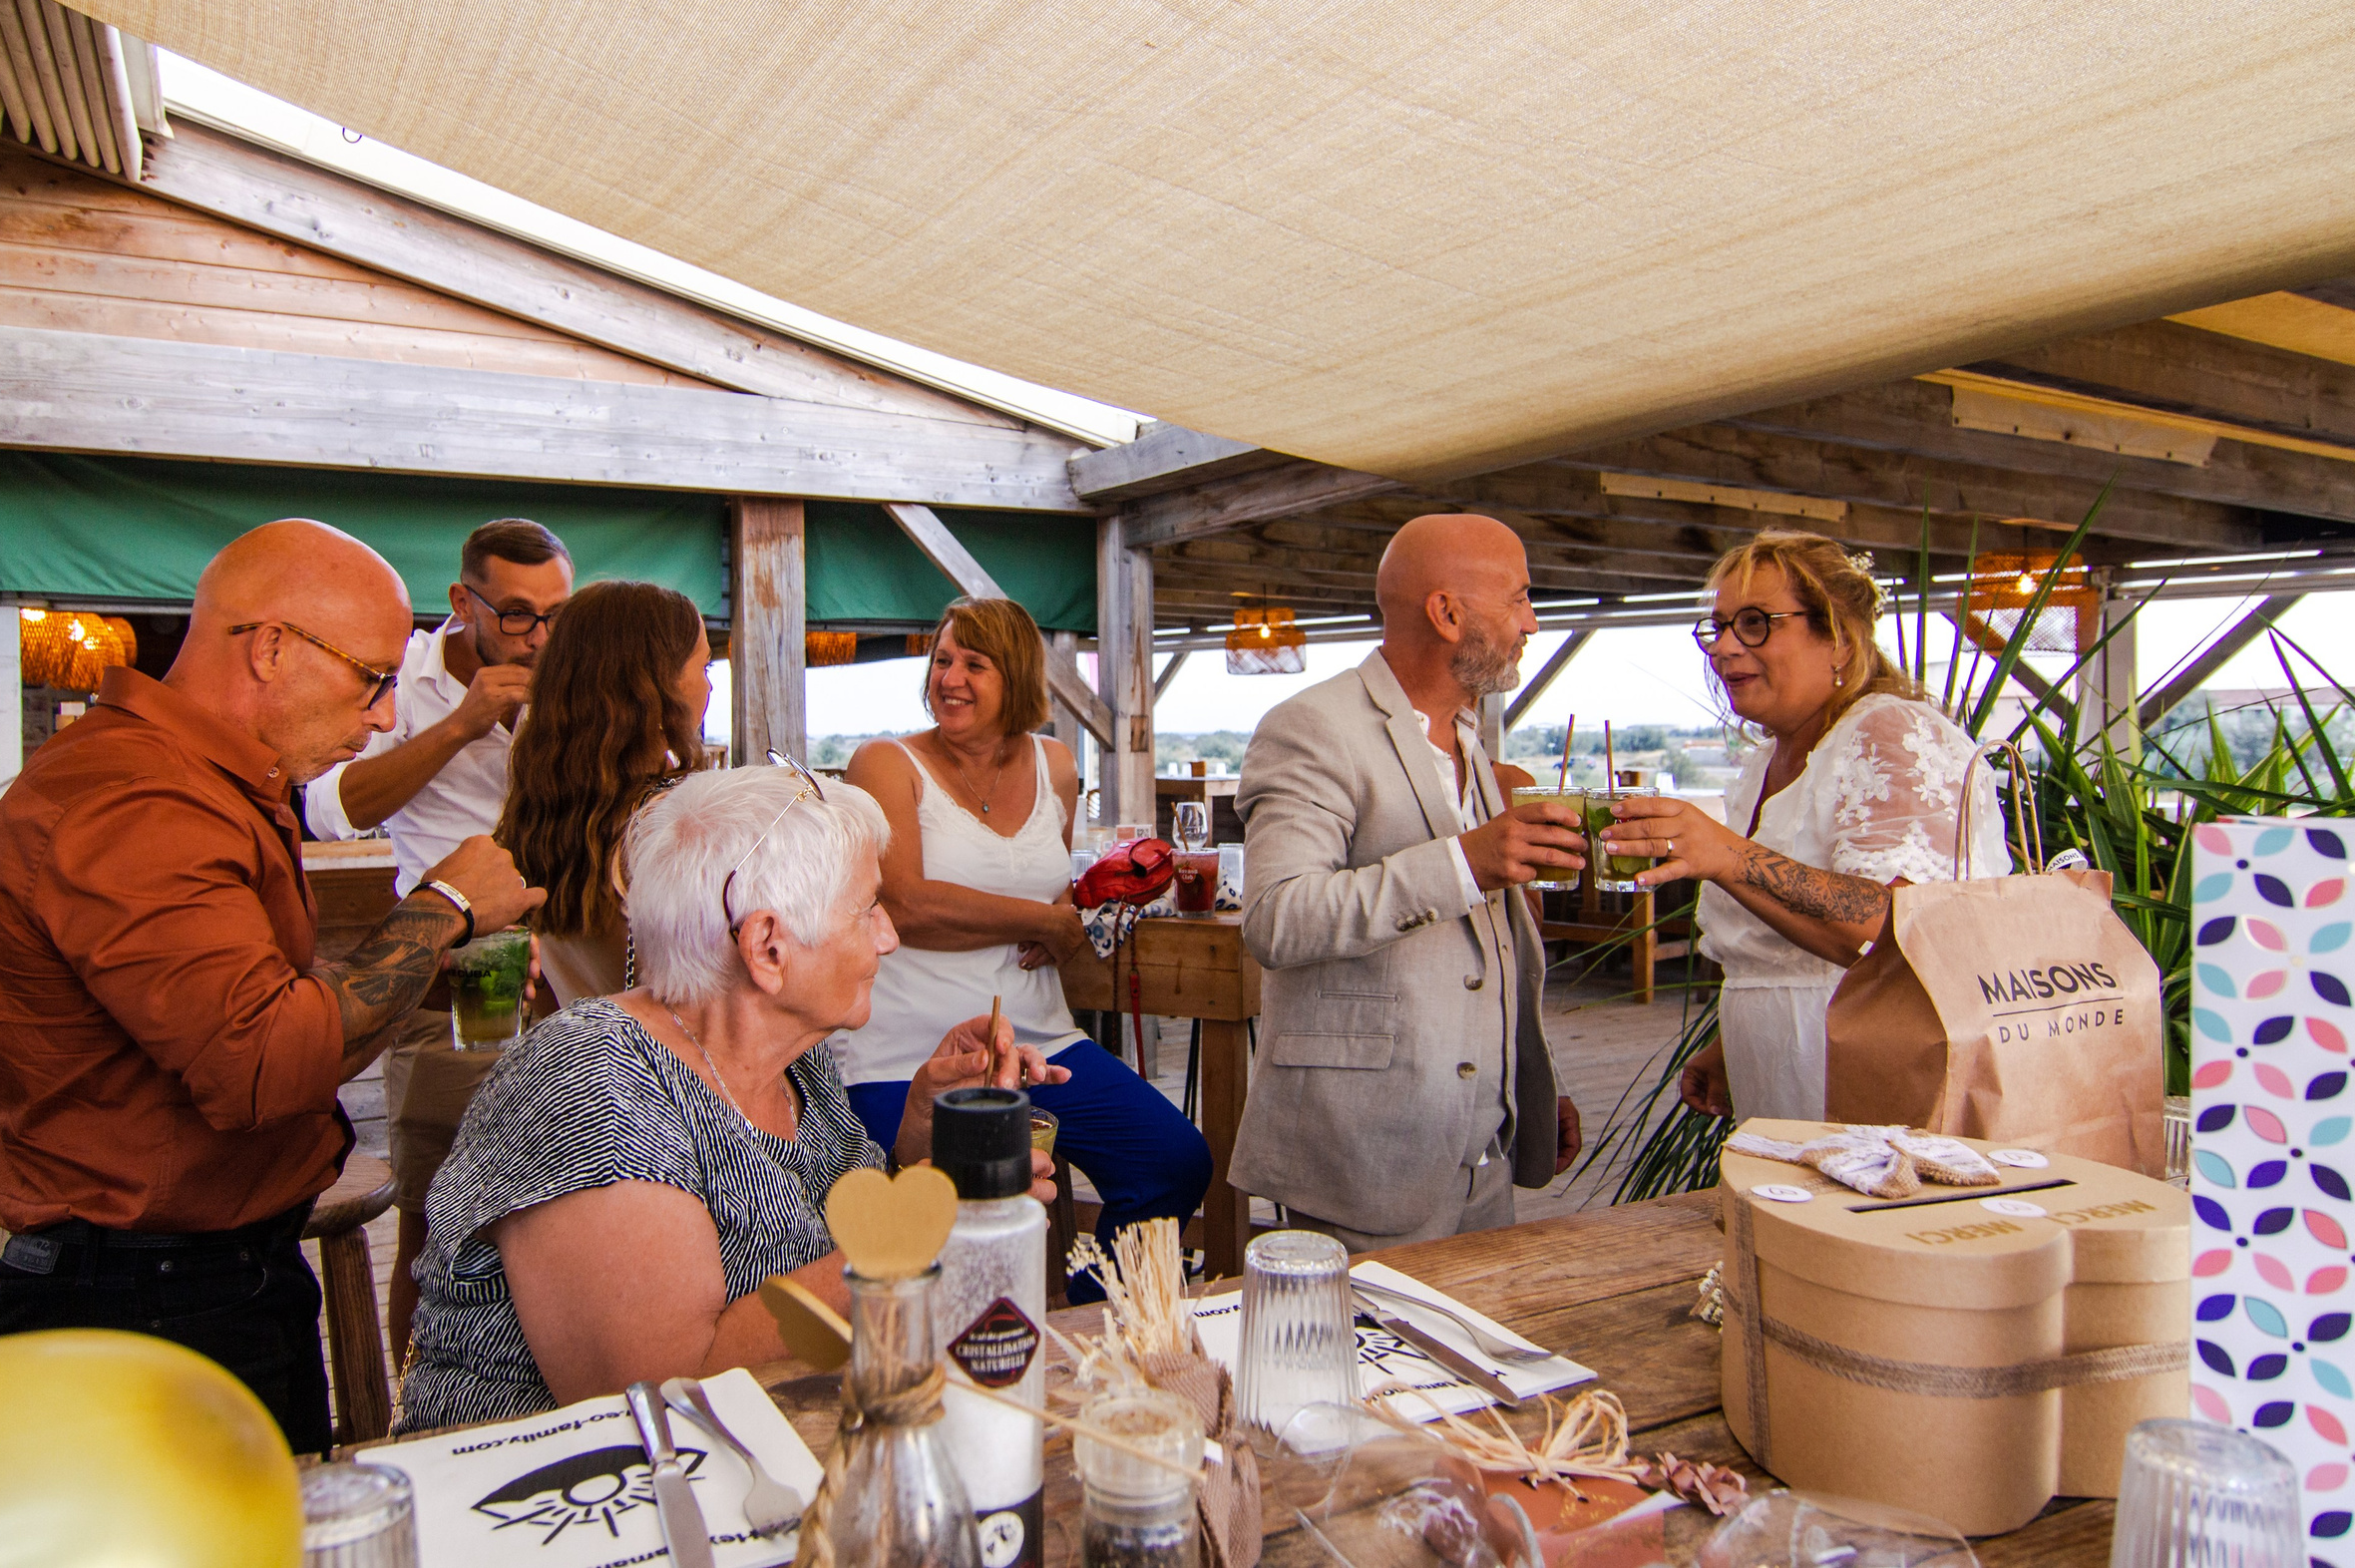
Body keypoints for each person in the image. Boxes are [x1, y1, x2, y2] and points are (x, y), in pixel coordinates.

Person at [0, 520, 541, 1454]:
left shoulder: (197, 783)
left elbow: (256, 1014)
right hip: (141, 1302)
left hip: (207, 1275)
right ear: (272, 648)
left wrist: (429, 973)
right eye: (373, 680)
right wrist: (441, 908)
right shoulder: (137, 799)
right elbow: (260, 1065)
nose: (386, 716)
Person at [398, 764, 1062, 1430]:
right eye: (867, 911)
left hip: (778, 1458)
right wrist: (932, 1222)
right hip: (560, 1500)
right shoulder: (592, 1081)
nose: (888, 936)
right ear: (768, 948)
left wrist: (924, 1131)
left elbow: (828, 1246)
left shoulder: (795, 1057)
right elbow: (655, 1391)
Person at [1230, 515, 1586, 1251]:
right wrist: (1466, 862)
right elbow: (1277, 918)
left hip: (1482, 1155)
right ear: (1448, 614)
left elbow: (1480, 954)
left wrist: (1525, 1084)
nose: (1532, 620)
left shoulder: (1468, 738)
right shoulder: (1311, 725)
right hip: (1365, 1156)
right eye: (1518, 598)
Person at [839, 597, 1209, 1279]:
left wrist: (1061, 908)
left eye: (974, 665)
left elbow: (1051, 881)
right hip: (902, 1049)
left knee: (1172, 1159)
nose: (950, 678)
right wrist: (1041, 922)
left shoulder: (1057, 764)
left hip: (1036, 1036)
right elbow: (905, 903)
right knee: (949, 1209)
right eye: (943, 661)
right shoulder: (883, 764)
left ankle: (1098, 1320)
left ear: (1017, 677)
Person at [1602, 530, 2008, 1121]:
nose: (1725, 648)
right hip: (1781, 1072)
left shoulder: (1891, 734)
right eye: (1719, 627)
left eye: (1756, 623)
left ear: (1839, 639)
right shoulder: (1768, 761)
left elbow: (1894, 926)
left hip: (1866, 1076)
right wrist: (1732, 1041)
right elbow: (1788, 954)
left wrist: (1725, 855)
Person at [301, 518, 574, 1358]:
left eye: (557, 614)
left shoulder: (571, 677)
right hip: (451, 983)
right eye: (519, 614)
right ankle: (421, 1412)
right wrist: (460, 724)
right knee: (434, 1226)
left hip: (565, 981)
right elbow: (329, 806)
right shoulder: (403, 678)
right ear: (463, 602)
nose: (539, 635)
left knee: (561, 1215)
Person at [496, 581, 713, 1004]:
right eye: (703, 668)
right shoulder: (672, 822)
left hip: (587, 1056)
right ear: (659, 685)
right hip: (671, 1063)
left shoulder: (544, 812)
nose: (709, 688)